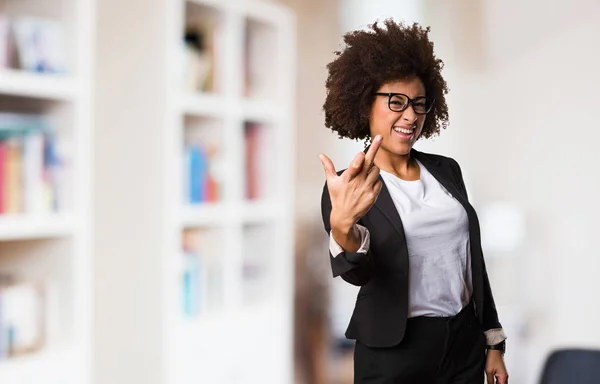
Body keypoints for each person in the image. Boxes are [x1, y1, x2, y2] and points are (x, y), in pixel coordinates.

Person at [319, 19, 509, 383]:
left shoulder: (446, 170)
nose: (410, 115)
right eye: (396, 101)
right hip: (395, 351)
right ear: (364, 103)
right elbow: (359, 273)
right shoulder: (348, 185)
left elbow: (472, 262)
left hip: (463, 343)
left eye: (419, 104)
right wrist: (343, 227)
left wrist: (493, 340)